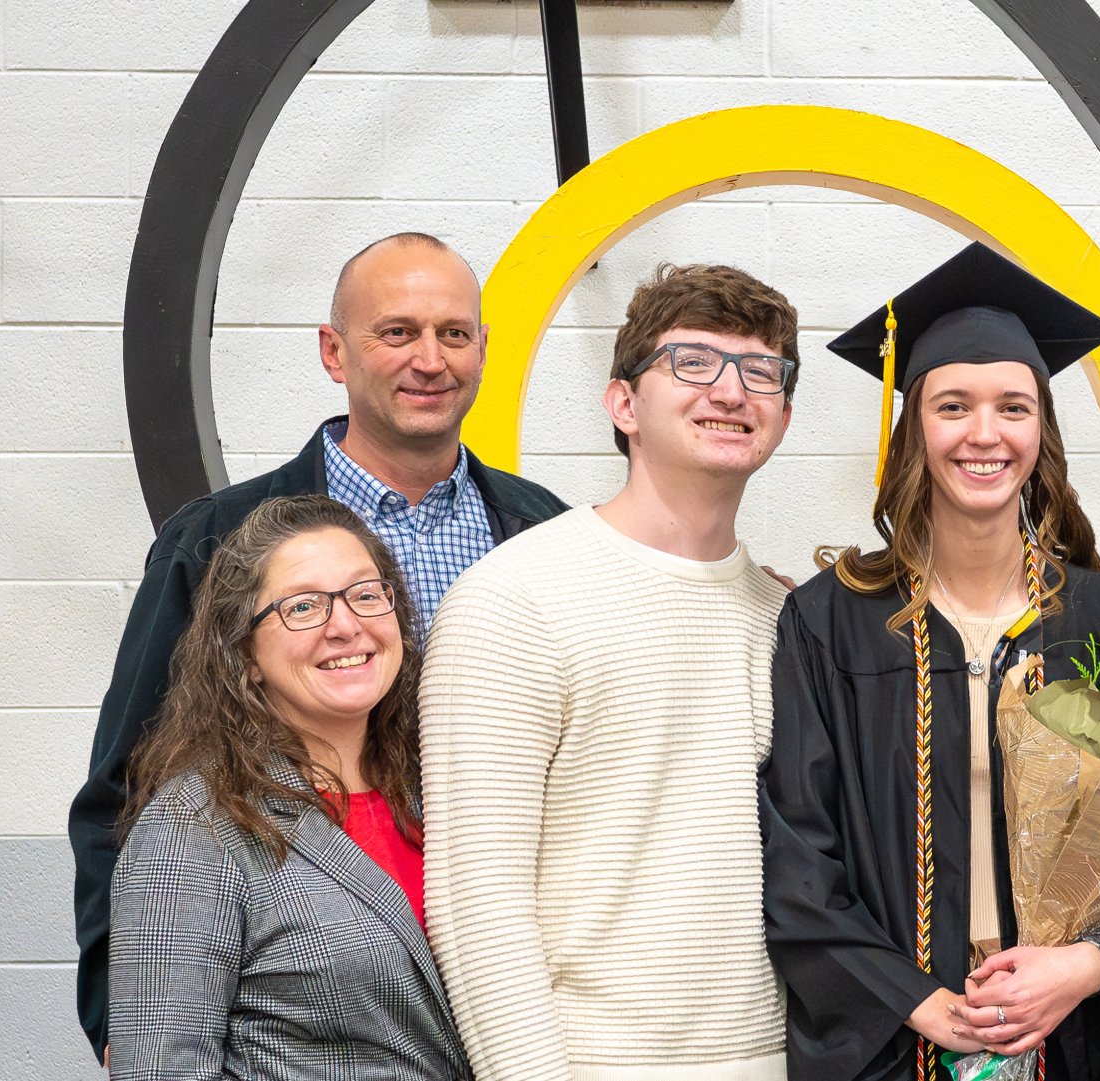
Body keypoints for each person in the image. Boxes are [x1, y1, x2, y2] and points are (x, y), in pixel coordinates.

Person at [70, 231, 567, 1055]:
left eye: (453, 333)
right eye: (397, 331)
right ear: (335, 352)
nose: (430, 359)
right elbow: (125, 785)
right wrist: (120, 1013)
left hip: (505, 984)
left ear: (484, 349)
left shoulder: (544, 530)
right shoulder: (217, 538)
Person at [763, 243, 1100, 1081]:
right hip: (897, 1040)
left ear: (1042, 430)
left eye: (1013, 406)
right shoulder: (829, 624)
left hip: (1067, 1039)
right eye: (953, 405)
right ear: (912, 431)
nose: (984, 433)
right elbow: (798, 858)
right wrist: (920, 1001)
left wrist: (1085, 966)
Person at [420, 263, 801, 1079]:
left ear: (784, 412)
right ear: (623, 403)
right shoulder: (513, 598)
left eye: (760, 370)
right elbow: (475, 901)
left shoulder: (786, 618)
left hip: (777, 1059)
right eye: (693, 363)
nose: (731, 391)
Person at [107, 495, 465, 1080]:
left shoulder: (450, 787)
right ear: (244, 654)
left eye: (366, 594)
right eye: (303, 607)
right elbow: (161, 1068)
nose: (346, 625)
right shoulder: (196, 825)